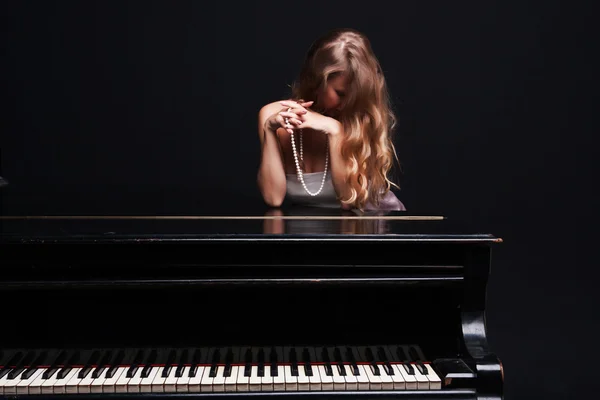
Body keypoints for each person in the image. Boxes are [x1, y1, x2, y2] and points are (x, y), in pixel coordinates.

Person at [257, 28, 406, 212]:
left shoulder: (359, 119)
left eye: (354, 97)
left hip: (374, 224)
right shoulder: (272, 115)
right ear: (319, 79)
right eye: (340, 93)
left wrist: (334, 130)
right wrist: (270, 130)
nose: (346, 105)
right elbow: (274, 198)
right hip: (316, 231)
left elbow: (349, 201)